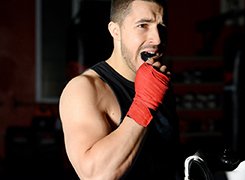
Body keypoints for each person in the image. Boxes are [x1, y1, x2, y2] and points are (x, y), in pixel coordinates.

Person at [59, 0, 182, 179]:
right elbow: (96, 175)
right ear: (115, 31)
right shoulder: (85, 89)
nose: (157, 39)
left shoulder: (160, 83)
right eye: (143, 25)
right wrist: (144, 104)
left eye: (161, 26)